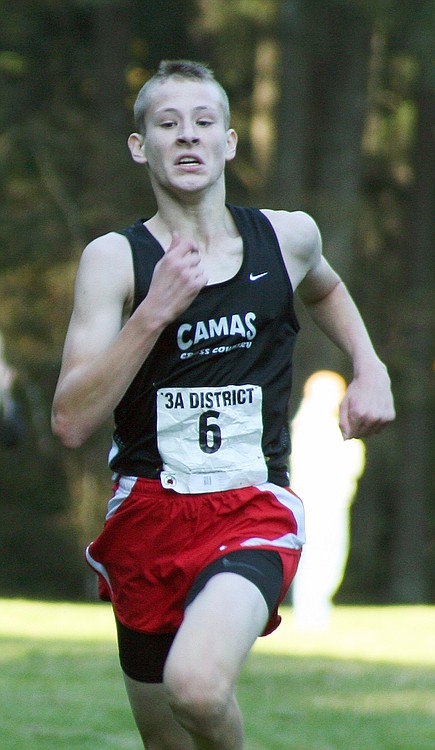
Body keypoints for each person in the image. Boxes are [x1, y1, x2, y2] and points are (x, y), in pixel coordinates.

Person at [51, 60, 395, 750]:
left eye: (203, 123)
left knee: (199, 689)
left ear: (229, 142)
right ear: (139, 145)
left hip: (249, 507)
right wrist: (153, 313)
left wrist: (369, 365)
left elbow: (323, 288)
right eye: (167, 124)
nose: (187, 137)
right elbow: (70, 420)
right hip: (146, 514)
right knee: (168, 736)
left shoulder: (286, 237)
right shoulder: (115, 261)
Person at [290, 371, 366, 630]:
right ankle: (310, 613)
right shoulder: (311, 426)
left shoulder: (330, 424)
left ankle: (316, 609)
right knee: (317, 556)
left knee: (329, 556)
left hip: (333, 501)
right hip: (315, 501)